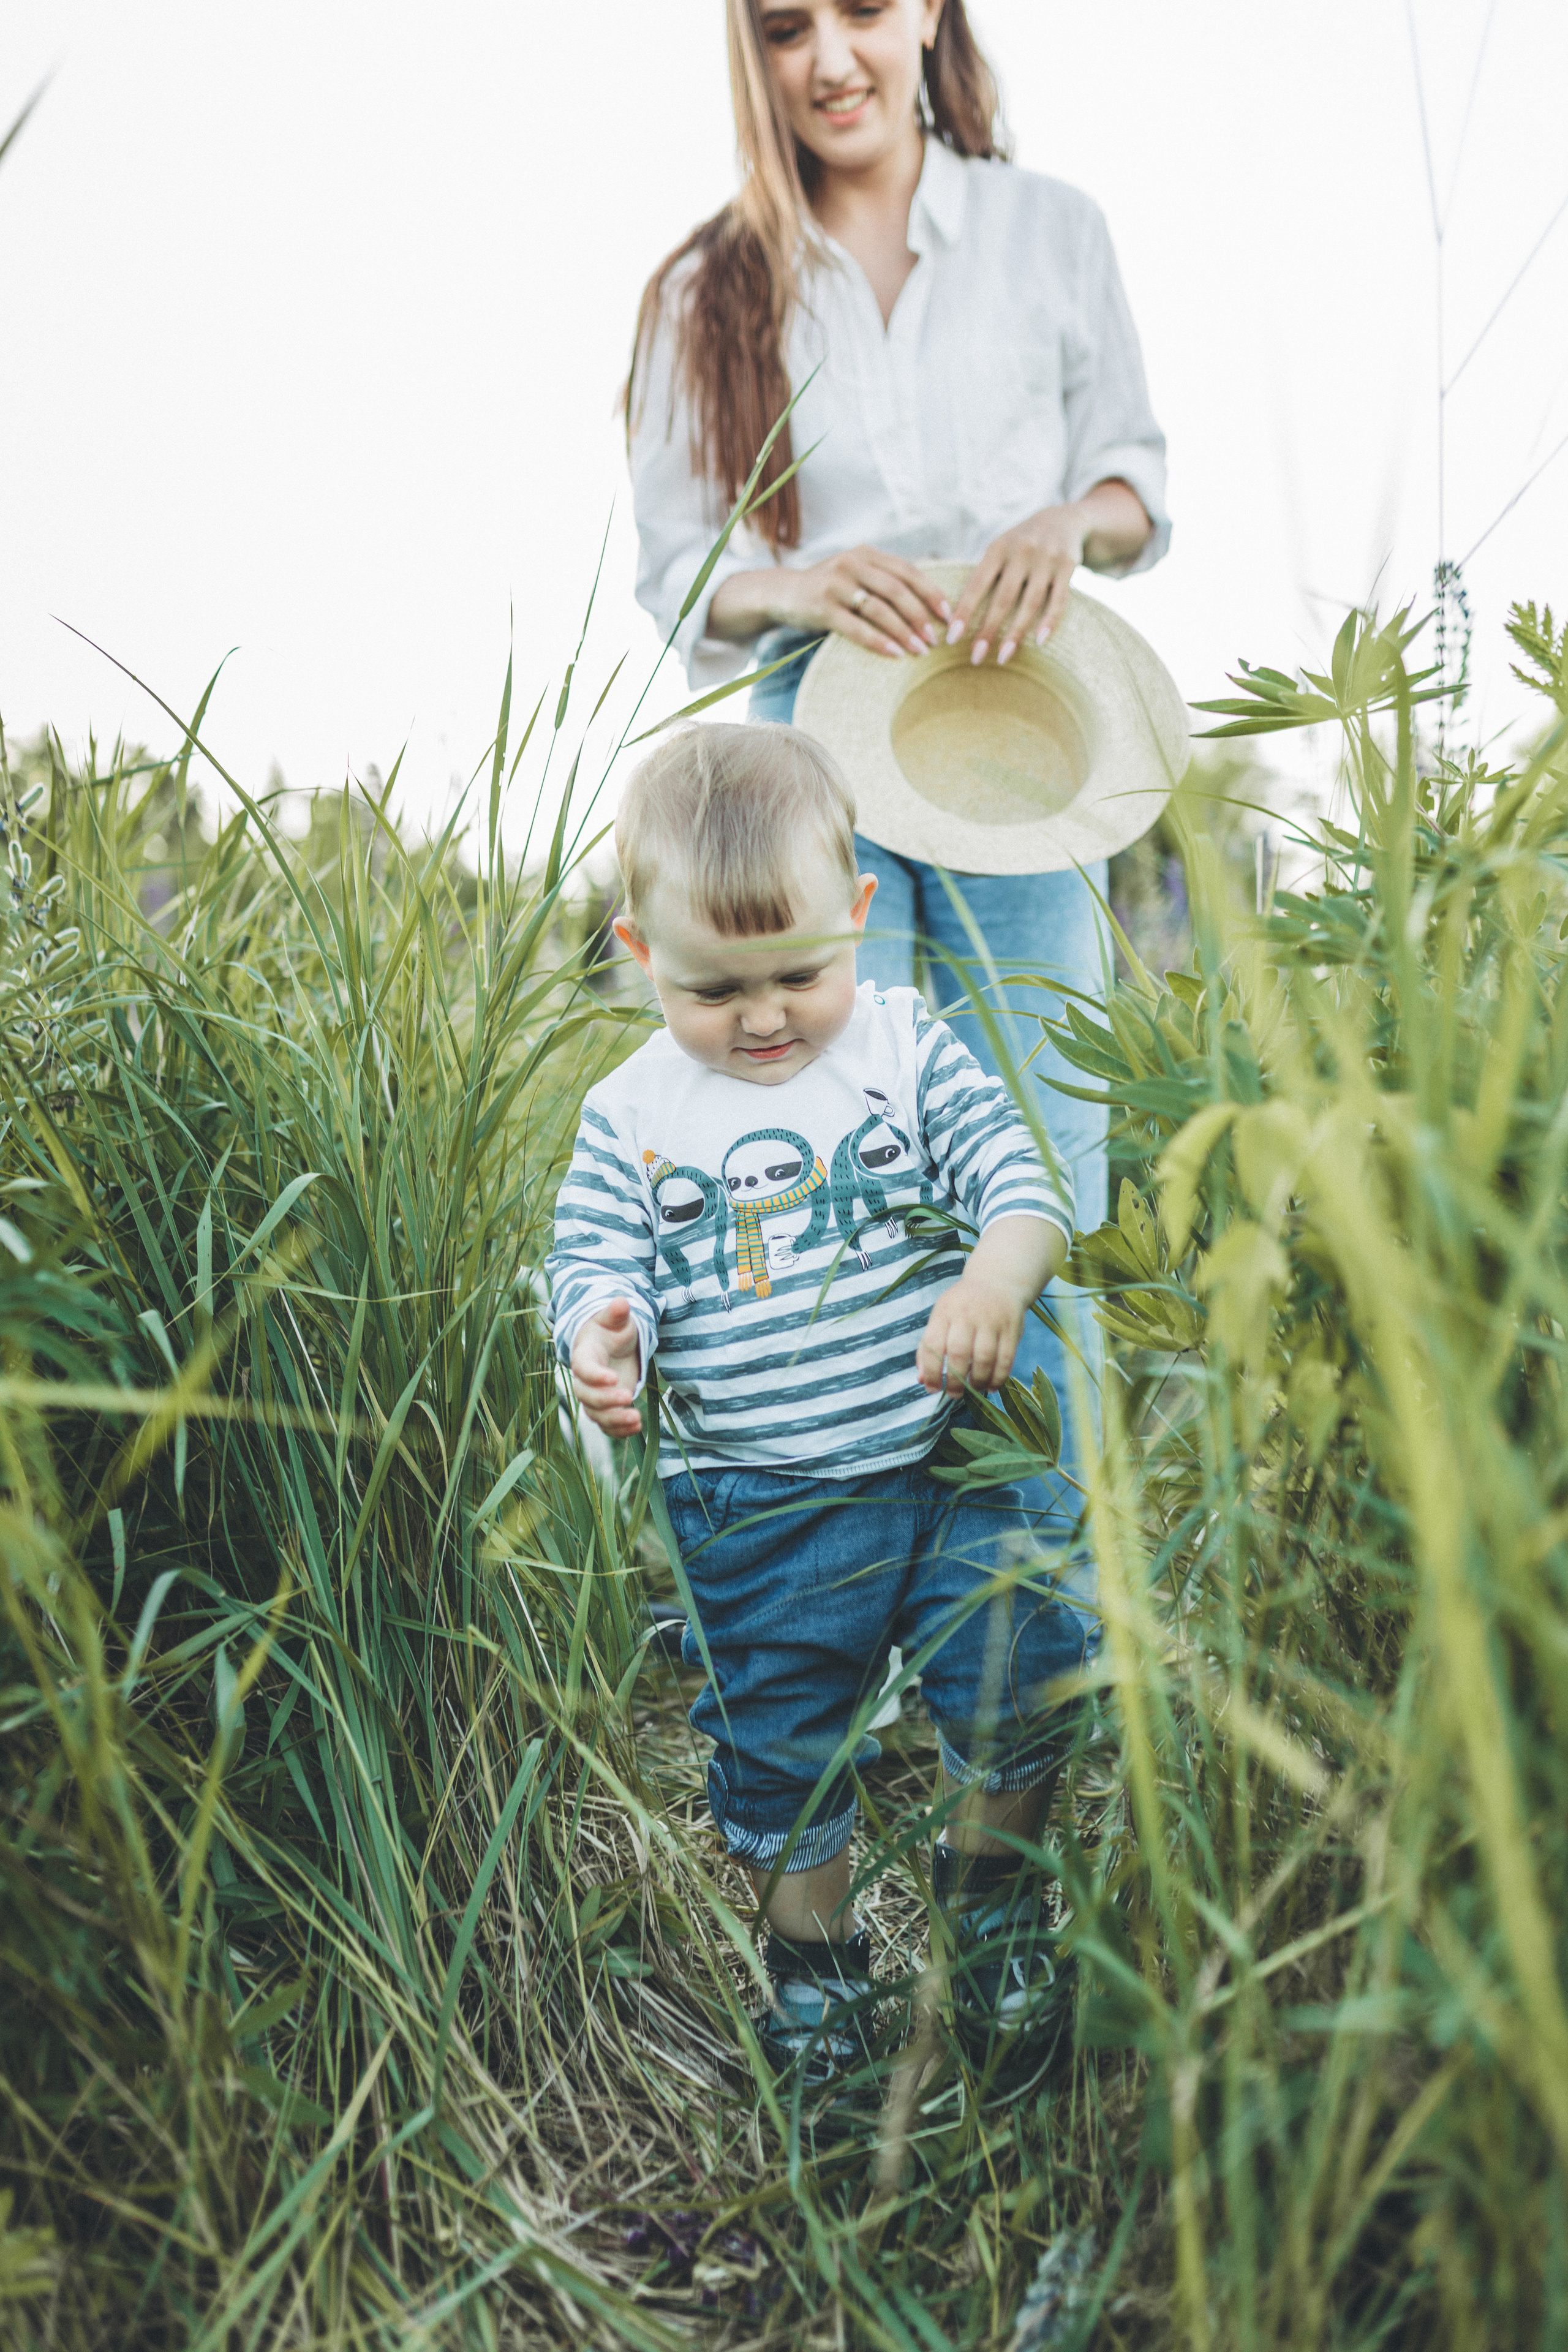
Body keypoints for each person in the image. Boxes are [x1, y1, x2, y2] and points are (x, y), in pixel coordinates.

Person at [625, 0, 1170, 1556]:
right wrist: (797, 586)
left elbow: (1135, 478)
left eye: (863, 10)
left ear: (928, 10)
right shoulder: (702, 285)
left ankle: (1026, 1618)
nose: (831, 60)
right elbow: (677, 569)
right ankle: (831, 1592)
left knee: (1037, 1152)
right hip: (811, 752)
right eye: (786, 27)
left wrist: (1064, 525)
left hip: (1018, 738)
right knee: (816, 1160)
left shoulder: (1047, 230)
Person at [548, 723, 1093, 2082]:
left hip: (947, 1448)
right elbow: (594, 1259)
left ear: (857, 919)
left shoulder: (903, 1048)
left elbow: (1020, 1184)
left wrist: (991, 1279)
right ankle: (821, 1979)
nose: (767, 1014)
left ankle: (993, 1914)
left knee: (1020, 1661)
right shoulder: (631, 1113)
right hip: (759, 1501)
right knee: (781, 1745)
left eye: (799, 969)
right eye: (715, 988)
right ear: (639, 957)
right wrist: (601, 1332)